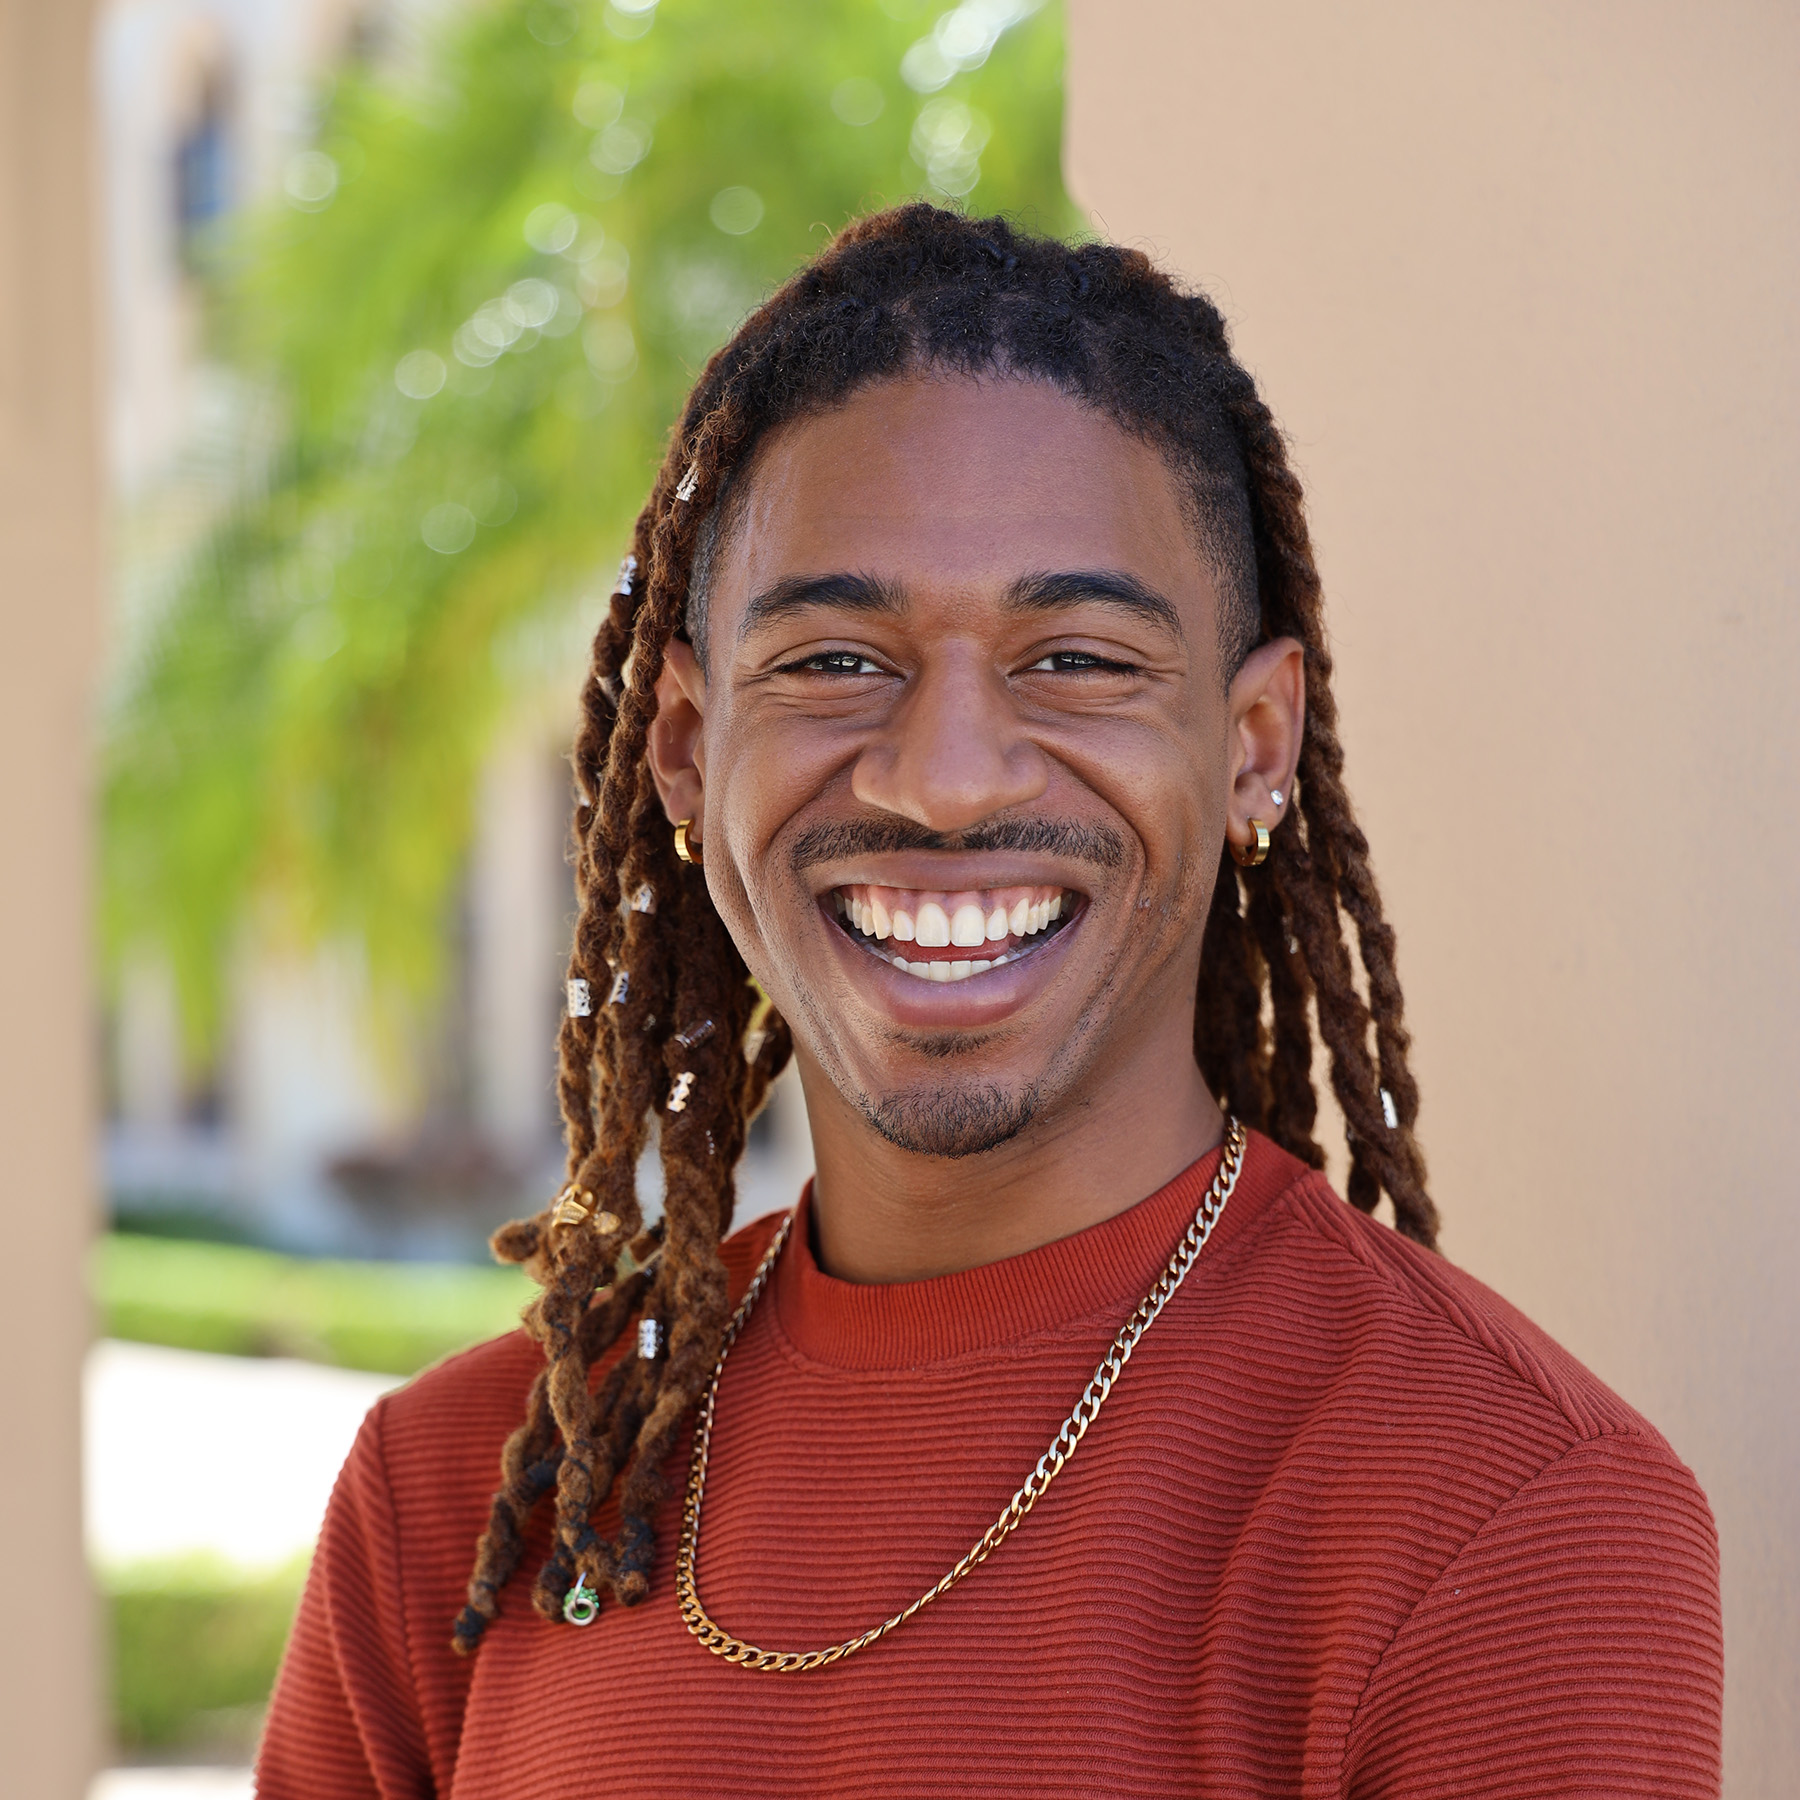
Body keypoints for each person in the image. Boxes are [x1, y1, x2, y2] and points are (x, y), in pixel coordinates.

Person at [258, 205, 1722, 1797]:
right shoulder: (461, 1500)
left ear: (1253, 745)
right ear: (685, 745)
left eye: (1077, 658)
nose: (949, 782)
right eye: (834, 660)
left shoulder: (1503, 1519)